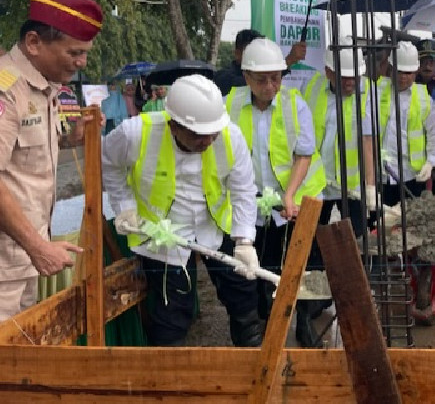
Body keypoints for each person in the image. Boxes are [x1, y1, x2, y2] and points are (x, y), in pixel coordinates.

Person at [103, 74, 262, 347]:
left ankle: (252, 359)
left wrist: (244, 240)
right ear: (173, 125)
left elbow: (243, 191)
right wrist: (125, 208)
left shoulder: (229, 137)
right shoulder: (135, 134)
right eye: (198, 135)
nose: (208, 140)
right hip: (165, 234)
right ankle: (169, 378)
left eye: (212, 133)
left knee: (243, 293)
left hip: (215, 226)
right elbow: (108, 163)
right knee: (172, 311)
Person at [0, 0, 103, 321]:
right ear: (34, 43)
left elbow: (26, 155)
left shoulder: (46, 88)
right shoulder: (7, 90)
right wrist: (37, 246)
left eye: (85, 53)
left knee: (20, 360)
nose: (81, 62)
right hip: (7, 260)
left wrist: (73, 137)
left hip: (22, 257)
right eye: (74, 52)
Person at [226, 38, 325, 347]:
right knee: (263, 265)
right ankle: (269, 321)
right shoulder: (230, 105)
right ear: (246, 77)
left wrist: (291, 194)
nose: (270, 86)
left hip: (297, 200)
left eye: (276, 77)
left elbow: (304, 154)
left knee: (307, 265)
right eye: (261, 79)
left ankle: (306, 321)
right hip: (255, 205)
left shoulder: (295, 104)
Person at [302, 38, 368, 239]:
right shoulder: (310, 86)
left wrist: (371, 184)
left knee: (357, 237)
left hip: (352, 183)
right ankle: (315, 269)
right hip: (317, 179)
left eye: (354, 76)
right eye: (344, 76)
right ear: (328, 71)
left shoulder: (369, 92)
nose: (350, 82)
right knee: (311, 235)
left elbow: (369, 140)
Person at [363, 41, 435, 207]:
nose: (403, 77)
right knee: (379, 224)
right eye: (399, 71)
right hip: (381, 175)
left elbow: (434, 133)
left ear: (416, 72)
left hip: (411, 176)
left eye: (408, 72)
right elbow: (367, 135)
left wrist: (431, 161)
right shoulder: (375, 92)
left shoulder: (423, 98)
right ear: (391, 68)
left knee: (410, 224)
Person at [214, 29, 307, 96]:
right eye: (261, 79)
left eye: (274, 78)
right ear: (237, 54)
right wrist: (288, 61)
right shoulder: (223, 78)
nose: (268, 86)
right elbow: (246, 86)